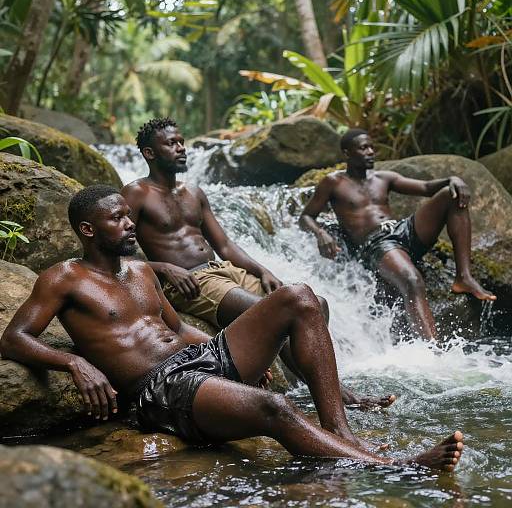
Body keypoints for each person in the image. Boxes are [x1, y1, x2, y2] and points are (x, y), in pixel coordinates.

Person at [0, 185, 464, 470]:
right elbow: (13, 339)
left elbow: (180, 330)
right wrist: (75, 362)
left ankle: (339, 428)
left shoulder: (141, 270)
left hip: (196, 360)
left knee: (300, 297)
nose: (129, 223)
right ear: (87, 229)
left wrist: (233, 356)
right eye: (116, 218)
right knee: (274, 407)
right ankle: (391, 466)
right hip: (159, 389)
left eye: (128, 214)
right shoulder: (63, 278)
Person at [121, 118, 394, 410]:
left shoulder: (194, 193)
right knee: (281, 315)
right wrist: (162, 268)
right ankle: (338, 395)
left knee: (317, 304)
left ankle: (315, 385)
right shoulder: (136, 193)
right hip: (193, 281)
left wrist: (262, 271)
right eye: (171, 144)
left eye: (181, 141)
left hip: (224, 271)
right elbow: (119, 252)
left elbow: (224, 246)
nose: (181, 148)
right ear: (150, 153)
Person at [299, 128, 496, 341]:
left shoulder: (383, 178)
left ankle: (463, 277)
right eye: (363, 148)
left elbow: (427, 187)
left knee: (451, 194)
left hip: (403, 231)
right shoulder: (333, 182)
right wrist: (320, 233)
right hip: (376, 245)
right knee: (411, 280)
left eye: (372, 146)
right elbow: (306, 217)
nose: (371, 151)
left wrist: (453, 179)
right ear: (347, 153)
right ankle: (432, 351)